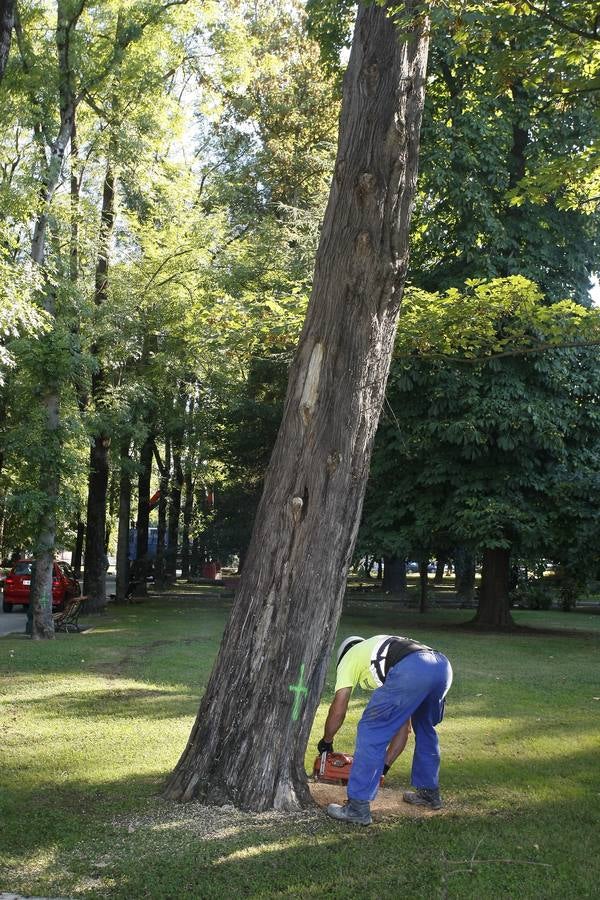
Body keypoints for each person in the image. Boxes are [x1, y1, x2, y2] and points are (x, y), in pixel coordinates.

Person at [318, 634, 453, 826]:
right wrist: (384, 766)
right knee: (425, 728)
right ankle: (429, 793)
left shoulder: (350, 658)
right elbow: (404, 727)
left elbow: (339, 709)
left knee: (371, 729)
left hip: (413, 668)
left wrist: (327, 741)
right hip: (441, 667)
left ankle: (357, 808)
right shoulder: (382, 655)